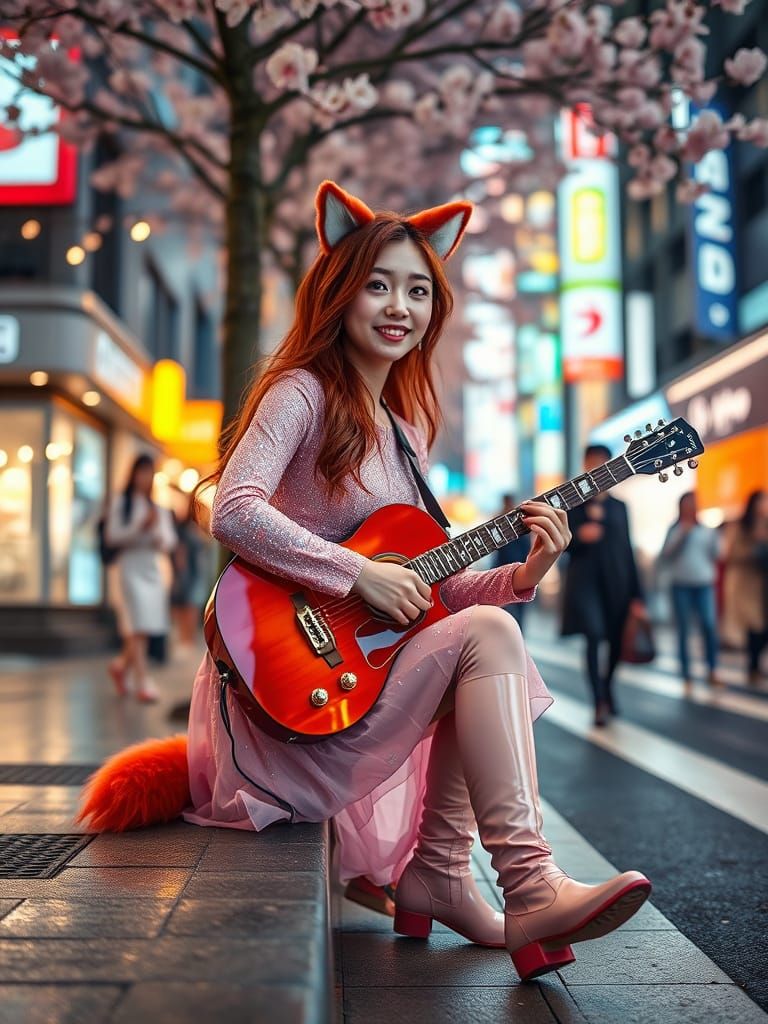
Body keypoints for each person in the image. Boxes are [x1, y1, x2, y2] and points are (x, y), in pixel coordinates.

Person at [80, 181, 650, 982]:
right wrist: (358, 573)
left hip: (357, 684)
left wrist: (526, 571)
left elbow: (431, 598)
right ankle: (526, 886)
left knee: (485, 629)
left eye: (418, 289)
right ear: (339, 289)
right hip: (294, 697)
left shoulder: (407, 432)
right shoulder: (300, 391)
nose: (398, 305)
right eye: (378, 283)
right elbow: (233, 509)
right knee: (487, 641)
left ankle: (446, 874)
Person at [561, 444, 646, 727]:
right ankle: (598, 700)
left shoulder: (620, 508)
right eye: (592, 462)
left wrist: (637, 594)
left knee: (615, 641)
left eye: (602, 462)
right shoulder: (573, 506)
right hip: (585, 584)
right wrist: (578, 536)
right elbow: (559, 545)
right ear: (585, 465)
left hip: (617, 584)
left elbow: (628, 551)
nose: (597, 467)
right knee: (594, 635)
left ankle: (608, 688)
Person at [105, 453, 177, 702]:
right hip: (130, 566)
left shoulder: (157, 508)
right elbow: (112, 536)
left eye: (149, 473)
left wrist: (157, 535)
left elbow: (169, 540)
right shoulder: (121, 504)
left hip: (151, 567)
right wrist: (139, 529)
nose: (145, 478)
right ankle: (143, 681)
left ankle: (121, 666)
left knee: (145, 624)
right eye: (141, 472)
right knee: (137, 623)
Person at [660, 492, 722, 694]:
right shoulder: (674, 529)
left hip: (704, 584)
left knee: (709, 626)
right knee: (684, 631)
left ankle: (712, 670)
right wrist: (681, 536)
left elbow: (717, 555)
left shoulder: (707, 530)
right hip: (681, 585)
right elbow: (665, 556)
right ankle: (686, 675)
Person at [724, 490, 768, 686]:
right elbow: (731, 554)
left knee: (763, 628)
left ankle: (755, 666)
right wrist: (755, 546)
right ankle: (753, 667)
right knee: (755, 627)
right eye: (762, 501)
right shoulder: (741, 526)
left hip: (763, 582)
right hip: (747, 585)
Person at [170, 491, 211, 654]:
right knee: (185, 601)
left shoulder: (200, 527)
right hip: (188, 568)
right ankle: (183, 638)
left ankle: (188, 639)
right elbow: (180, 549)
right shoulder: (186, 528)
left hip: (198, 569)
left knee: (193, 603)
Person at [493, 493, 533, 633]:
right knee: (517, 607)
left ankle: (513, 633)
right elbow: (526, 546)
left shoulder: (499, 520)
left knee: (508, 607)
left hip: (504, 567)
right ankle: (517, 633)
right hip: (518, 567)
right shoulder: (517, 520)